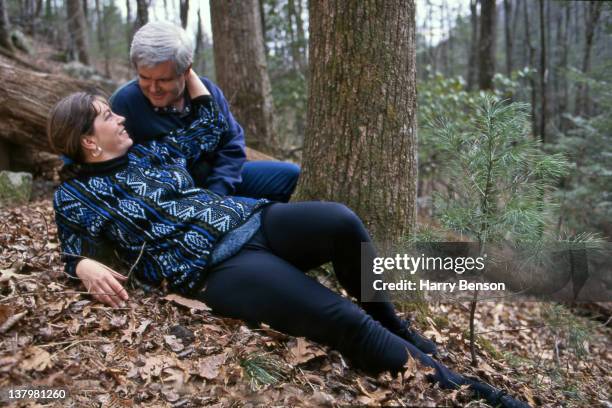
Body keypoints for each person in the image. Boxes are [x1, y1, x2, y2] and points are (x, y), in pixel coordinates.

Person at [47, 73, 529, 408]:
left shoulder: (147, 155)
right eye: (108, 116)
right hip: (216, 270)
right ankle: (470, 393)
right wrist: (82, 266)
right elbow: (73, 249)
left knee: (341, 220)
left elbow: (209, 124)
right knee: (344, 320)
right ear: (89, 141)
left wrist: (190, 72)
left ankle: (395, 323)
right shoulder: (76, 196)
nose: (122, 118)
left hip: (252, 219)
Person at [110, 21, 299, 203]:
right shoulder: (125, 103)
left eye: (163, 80)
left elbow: (231, 144)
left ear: (186, 71)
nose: (153, 88)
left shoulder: (206, 91)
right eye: (144, 78)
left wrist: (218, 192)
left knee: (292, 176)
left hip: (220, 181)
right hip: (171, 198)